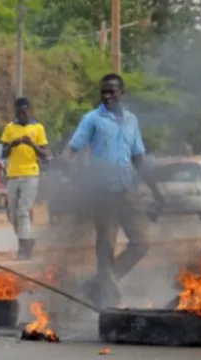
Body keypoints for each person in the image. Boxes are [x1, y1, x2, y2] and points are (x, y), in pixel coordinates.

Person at [66, 73, 163, 309]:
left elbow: (138, 157)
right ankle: (110, 297)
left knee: (141, 243)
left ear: (122, 93)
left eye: (112, 92)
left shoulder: (131, 120)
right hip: (102, 192)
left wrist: (156, 191)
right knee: (106, 246)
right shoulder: (92, 119)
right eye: (103, 92)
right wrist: (75, 179)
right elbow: (71, 150)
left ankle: (100, 284)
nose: (107, 96)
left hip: (128, 190)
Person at [0, 98, 49, 260]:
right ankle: (28, 239)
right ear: (15, 112)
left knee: (23, 211)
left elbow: (45, 155)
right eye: (19, 112)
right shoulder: (9, 128)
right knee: (13, 213)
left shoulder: (38, 128)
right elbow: (3, 153)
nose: (22, 115)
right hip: (12, 174)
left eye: (25, 111)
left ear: (30, 111)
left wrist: (32, 145)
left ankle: (23, 248)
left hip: (30, 174)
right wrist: (12, 145)